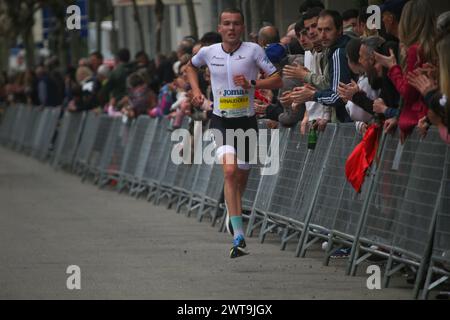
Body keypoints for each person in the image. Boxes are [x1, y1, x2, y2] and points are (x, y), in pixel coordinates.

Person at [186, 8, 283, 259]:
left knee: (241, 177)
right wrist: (196, 90)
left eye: (236, 24)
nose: (231, 28)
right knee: (229, 172)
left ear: (242, 27)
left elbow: (277, 80)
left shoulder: (253, 51)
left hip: (247, 121)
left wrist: (253, 84)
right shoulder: (209, 52)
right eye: (226, 24)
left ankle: (233, 211)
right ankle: (238, 236)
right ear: (220, 28)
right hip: (221, 121)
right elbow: (189, 67)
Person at [374, 0, 437, 141]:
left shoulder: (415, 50)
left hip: (421, 124)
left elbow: (408, 93)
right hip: (431, 119)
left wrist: (393, 68)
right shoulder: (434, 45)